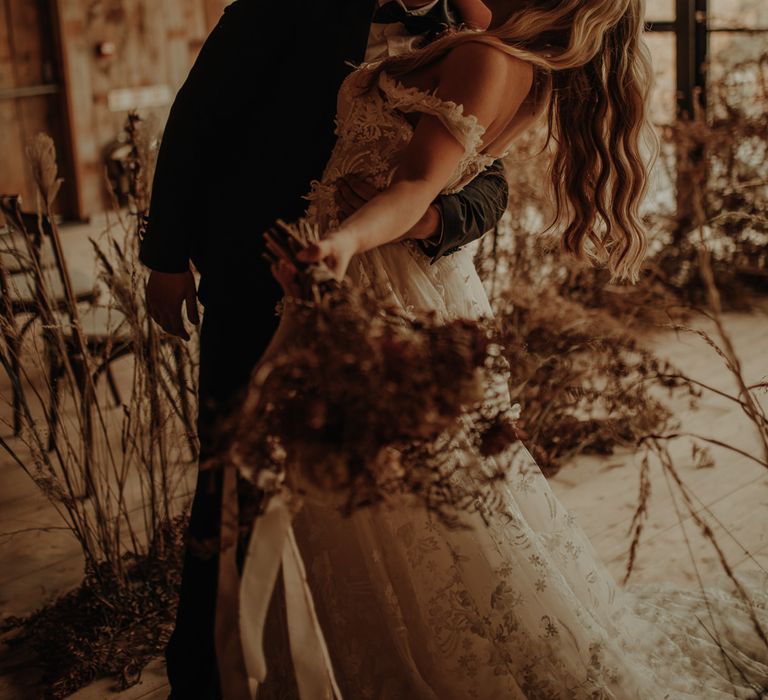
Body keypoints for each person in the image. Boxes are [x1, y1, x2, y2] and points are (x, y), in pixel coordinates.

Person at [230, 0, 768, 697]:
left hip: (385, 288)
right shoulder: (496, 51)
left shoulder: (488, 58)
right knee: (400, 500)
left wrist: (343, 241)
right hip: (400, 282)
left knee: (401, 502)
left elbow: (418, 182)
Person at [139, 2, 508, 698]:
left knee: (363, 488)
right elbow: (195, 120)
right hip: (257, 273)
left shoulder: (471, 33)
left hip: (386, 296)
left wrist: (436, 217)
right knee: (233, 473)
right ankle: (204, 672)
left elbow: (493, 177)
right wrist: (166, 257)